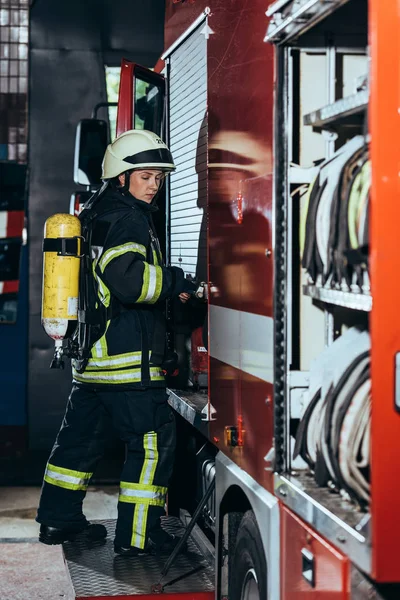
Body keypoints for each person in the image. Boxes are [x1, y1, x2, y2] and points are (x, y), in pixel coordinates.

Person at [36, 129, 195, 556]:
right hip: (127, 363)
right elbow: (130, 281)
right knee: (150, 446)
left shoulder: (93, 213)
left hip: (91, 362)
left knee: (78, 444)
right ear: (121, 177)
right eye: (145, 176)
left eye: (158, 178)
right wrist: (178, 280)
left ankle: (58, 520)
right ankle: (139, 536)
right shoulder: (128, 219)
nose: (154, 185)